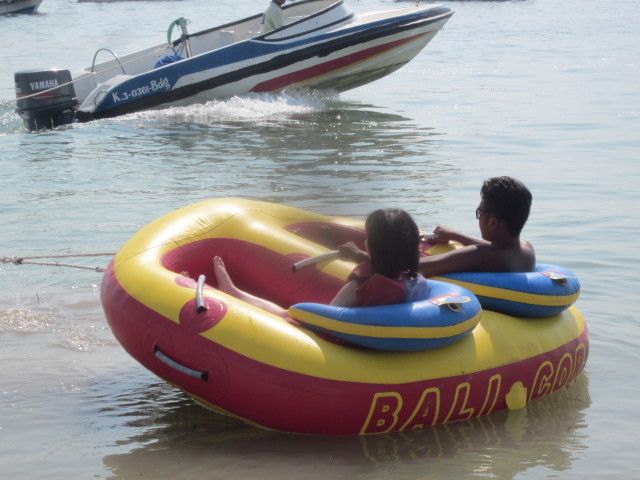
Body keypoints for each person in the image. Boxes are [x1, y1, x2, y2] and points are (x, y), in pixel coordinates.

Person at [212, 208, 429, 318]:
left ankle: (233, 292)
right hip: (381, 340)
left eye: (368, 238)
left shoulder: (361, 285)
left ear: (375, 247)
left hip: (340, 343)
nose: (364, 241)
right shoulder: (414, 280)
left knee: (288, 315)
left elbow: (327, 317)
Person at [419, 176, 535, 276]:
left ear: (493, 223)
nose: (479, 217)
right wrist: (455, 235)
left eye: (479, 213)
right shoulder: (528, 250)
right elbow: (494, 247)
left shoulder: (479, 255)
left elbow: (419, 267)